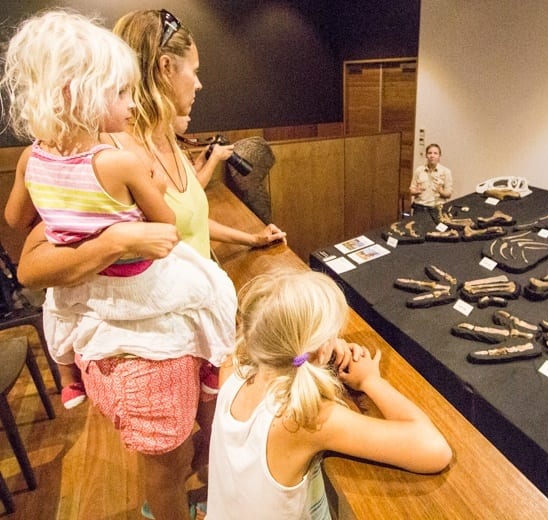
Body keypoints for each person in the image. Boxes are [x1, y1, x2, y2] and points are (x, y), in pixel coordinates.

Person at [12, 8, 284, 519]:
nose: (200, 83)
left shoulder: (166, 138)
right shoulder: (101, 149)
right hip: (152, 333)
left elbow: (184, 215)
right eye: (195, 70)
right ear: (164, 68)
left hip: (188, 315)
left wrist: (248, 237)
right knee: (170, 466)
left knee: (206, 443)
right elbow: (30, 264)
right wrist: (117, 239)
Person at [1, 10, 235, 413]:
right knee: (217, 289)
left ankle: (68, 380)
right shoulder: (113, 157)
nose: (199, 83)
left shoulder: (34, 158)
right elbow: (164, 225)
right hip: (147, 310)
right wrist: (118, 235)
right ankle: (216, 362)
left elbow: (17, 219)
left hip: (124, 310)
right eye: (120, 92)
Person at [207, 269, 452, 519]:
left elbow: (273, 346)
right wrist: (371, 380)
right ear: (321, 348)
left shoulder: (232, 367)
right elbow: (434, 450)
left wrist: (321, 349)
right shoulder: (303, 418)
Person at [408, 143, 453, 213]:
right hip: (419, 208)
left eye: (435, 153)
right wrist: (417, 191)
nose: (432, 156)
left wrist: (440, 190)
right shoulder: (419, 170)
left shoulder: (446, 172)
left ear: (439, 156)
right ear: (426, 155)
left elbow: (448, 194)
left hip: (437, 208)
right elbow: (411, 190)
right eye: (429, 153)